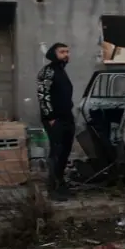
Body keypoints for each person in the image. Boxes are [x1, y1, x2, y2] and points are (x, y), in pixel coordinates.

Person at [36, 43, 75, 200]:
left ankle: (61, 183)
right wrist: (50, 117)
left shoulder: (61, 71)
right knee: (56, 152)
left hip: (67, 117)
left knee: (65, 152)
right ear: (54, 54)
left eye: (67, 51)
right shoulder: (48, 71)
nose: (66, 54)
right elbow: (43, 95)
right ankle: (53, 189)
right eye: (62, 52)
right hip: (55, 119)